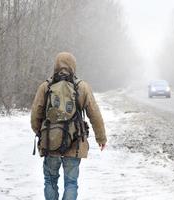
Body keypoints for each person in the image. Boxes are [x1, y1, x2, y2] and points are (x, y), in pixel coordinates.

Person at [31, 52, 107, 200]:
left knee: (50, 180)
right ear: (73, 66)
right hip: (75, 143)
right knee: (71, 183)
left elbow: (35, 115)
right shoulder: (82, 87)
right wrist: (101, 138)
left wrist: (42, 133)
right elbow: (95, 115)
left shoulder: (45, 86)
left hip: (50, 143)